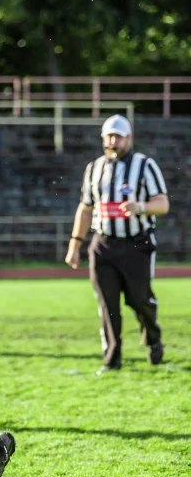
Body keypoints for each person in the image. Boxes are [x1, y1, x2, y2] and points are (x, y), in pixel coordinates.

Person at [65, 114, 169, 373]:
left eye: (118, 137)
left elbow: (163, 204)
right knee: (107, 304)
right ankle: (112, 359)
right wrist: (75, 244)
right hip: (103, 244)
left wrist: (140, 207)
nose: (113, 142)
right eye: (109, 137)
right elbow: (85, 208)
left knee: (140, 300)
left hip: (137, 243)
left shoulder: (145, 165)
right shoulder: (94, 168)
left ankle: (153, 339)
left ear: (129, 138)